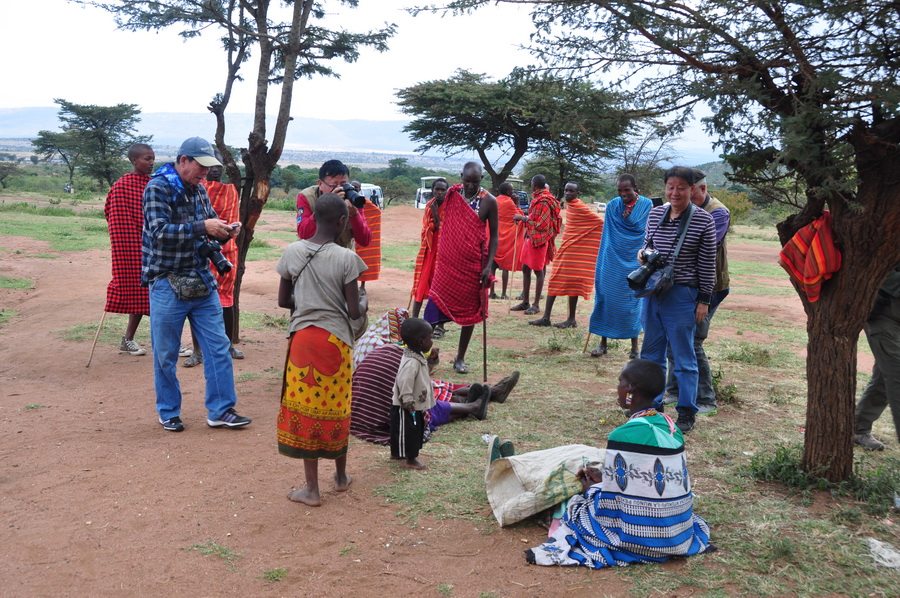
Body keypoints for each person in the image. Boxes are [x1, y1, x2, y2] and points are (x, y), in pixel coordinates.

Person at [526, 359, 713, 568]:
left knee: (572, 505)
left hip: (640, 537)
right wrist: (606, 478)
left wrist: (591, 489)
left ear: (630, 389)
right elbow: (647, 480)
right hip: (675, 531)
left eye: (620, 382)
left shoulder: (622, 435)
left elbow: (610, 507)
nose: (617, 388)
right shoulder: (671, 427)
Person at [141, 137, 251, 432]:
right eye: (201, 166)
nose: (205, 172)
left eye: (208, 167)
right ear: (183, 160)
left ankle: (221, 410)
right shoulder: (158, 188)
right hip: (166, 281)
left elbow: (209, 227)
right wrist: (204, 227)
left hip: (201, 279)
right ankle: (168, 411)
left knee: (218, 348)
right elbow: (158, 232)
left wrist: (224, 231)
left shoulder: (199, 190)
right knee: (165, 354)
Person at [276, 193, 368, 506]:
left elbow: (283, 301)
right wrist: (362, 303)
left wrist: (308, 301)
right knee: (338, 408)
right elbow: (354, 312)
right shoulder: (347, 258)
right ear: (342, 222)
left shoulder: (292, 251)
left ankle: (312, 490)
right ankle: (341, 477)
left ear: (313, 218)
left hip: (302, 341)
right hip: (336, 343)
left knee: (306, 411)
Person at [638, 167, 716, 433]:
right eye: (670, 187)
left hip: (683, 294)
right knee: (650, 354)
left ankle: (686, 411)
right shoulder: (655, 214)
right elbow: (646, 245)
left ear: (692, 189)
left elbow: (707, 265)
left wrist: (704, 300)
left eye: (681, 188)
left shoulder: (704, 220)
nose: (675, 193)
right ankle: (652, 405)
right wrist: (643, 254)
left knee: (683, 357)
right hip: (653, 292)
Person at [351, 341, 519, 446]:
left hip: (360, 409)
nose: (432, 343)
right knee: (428, 408)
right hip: (380, 414)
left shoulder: (388, 350)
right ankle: (472, 406)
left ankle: (476, 399)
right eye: (427, 338)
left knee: (434, 389)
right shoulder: (405, 360)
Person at [663, 169, 730, 414]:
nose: (681, 197)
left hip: (710, 287)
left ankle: (706, 398)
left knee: (693, 340)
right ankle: (675, 390)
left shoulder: (717, 213)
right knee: (674, 336)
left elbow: (700, 249)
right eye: (675, 189)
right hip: (681, 286)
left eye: (687, 191)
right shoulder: (678, 210)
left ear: (700, 188)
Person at [424, 162, 499, 374]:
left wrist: (489, 266)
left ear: (481, 179)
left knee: (470, 313)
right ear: (461, 177)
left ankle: (460, 358)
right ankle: (421, 354)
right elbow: (438, 210)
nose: (470, 185)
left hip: (473, 265)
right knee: (432, 309)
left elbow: (494, 236)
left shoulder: (489, 201)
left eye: (475, 182)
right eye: (467, 181)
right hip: (447, 264)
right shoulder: (453, 194)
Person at [183, 152, 244, 367]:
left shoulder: (230, 190)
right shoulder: (196, 188)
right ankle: (197, 350)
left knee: (227, 300)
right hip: (200, 250)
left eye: (219, 165)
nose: (216, 169)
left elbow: (232, 218)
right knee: (196, 299)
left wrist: (233, 228)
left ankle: (228, 345)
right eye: (211, 165)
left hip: (227, 250)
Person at [589, 174, 652, 358]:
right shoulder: (613, 206)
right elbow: (608, 234)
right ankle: (603, 343)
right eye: (620, 190)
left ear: (635, 188)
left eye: (627, 190)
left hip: (635, 260)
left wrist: (630, 219)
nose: (623, 193)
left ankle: (634, 348)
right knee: (606, 299)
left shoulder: (647, 205)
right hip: (612, 260)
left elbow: (647, 231)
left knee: (632, 303)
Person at [530, 182, 603, 328]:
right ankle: (549, 318)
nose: (568, 193)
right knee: (556, 281)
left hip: (573, 253)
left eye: (571, 191)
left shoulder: (579, 206)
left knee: (567, 283)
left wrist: (582, 241)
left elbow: (600, 222)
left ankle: (567, 319)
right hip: (567, 250)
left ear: (577, 193)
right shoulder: (571, 206)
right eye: (566, 190)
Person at [105, 143, 155, 356]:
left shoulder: (155, 185)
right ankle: (129, 340)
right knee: (140, 292)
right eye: (147, 159)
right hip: (130, 249)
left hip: (155, 248)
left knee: (157, 294)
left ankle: (166, 340)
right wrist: (128, 239)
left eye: (153, 158)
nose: (151, 163)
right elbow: (112, 214)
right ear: (134, 160)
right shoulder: (122, 186)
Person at [854, 264, 900, 450]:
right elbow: (875, 267)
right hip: (884, 313)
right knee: (897, 373)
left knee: (884, 376)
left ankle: (858, 427)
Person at [510, 175, 561, 316]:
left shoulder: (544, 201)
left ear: (534, 185)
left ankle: (536, 304)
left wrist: (523, 218)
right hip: (531, 237)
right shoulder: (539, 199)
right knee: (525, 268)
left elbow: (542, 225)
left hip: (539, 240)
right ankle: (525, 301)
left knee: (538, 271)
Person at [296, 160, 371, 250]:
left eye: (343, 184)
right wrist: (327, 206)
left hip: (342, 254)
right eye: (333, 185)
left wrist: (355, 215)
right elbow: (303, 233)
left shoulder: (352, 198)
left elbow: (365, 241)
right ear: (320, 184)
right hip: (313, 253)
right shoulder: (307, 197)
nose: (339, 189)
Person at [410, 178, 449, 319]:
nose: (439, 192)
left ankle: (439, 324)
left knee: (441, 286)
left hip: (444, 253)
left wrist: (435, 214)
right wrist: (433, 213)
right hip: (429, 251)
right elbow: (426, 229)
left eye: (443, 190)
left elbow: (446, 230)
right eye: (437, 189)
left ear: (447, 192)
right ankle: (414, 319)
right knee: (422, 283)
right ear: (432, 190)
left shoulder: (450, 207)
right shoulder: (429, 206)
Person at [490, 182, 525, 300]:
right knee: (505, 267)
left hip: (494, 236)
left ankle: (492, 292)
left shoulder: (494, 200)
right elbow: (519, 217)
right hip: (506, 239)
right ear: (508, 192)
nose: (513, 192)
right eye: (512, 190)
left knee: (492, 266)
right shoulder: (510, 203)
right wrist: (517, 204)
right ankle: (504, 293)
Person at [351, 180, 382, 295]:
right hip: (347, 236)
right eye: (353, 186)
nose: (355, 188)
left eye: (357, 187)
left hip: (359, 236)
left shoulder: (363, 202)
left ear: (360, 189)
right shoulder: (344, 200)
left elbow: (376, 212)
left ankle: (362, 286)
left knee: (364, 258)